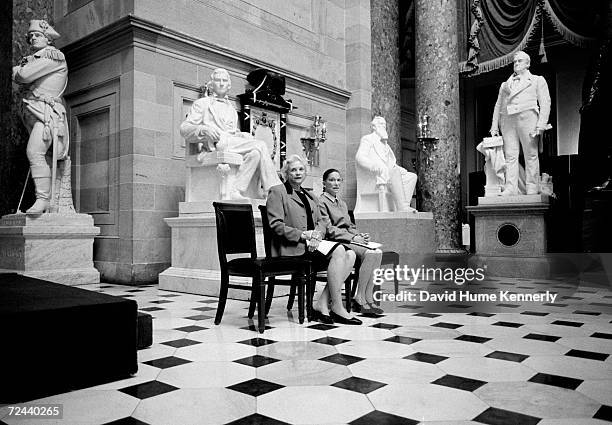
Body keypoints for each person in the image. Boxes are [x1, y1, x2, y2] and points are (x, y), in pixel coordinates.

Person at [266, 155, 361, 325]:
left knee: (351, 255)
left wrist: (317, 234)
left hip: (313, 244)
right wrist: (303, 235)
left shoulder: (310, 195)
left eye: (301, 169)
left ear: (305, 173)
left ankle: (322, 303)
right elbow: (276, 225)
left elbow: (322, 222)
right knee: (340, 250)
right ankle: (338, 307)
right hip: (293, 247)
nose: (297, 173)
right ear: (286, 173)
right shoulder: (277, 191)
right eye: (293, 170)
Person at [180, 68, 281, 200]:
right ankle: (273, 190)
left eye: (224, 81)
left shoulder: (231, 109)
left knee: (255, 154)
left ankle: (236, 190)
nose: (221, 83)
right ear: (211, 84)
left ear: (229, 86)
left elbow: (232, 133)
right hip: (215, 144)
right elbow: (185, 128)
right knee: (261, 144)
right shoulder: (202, 104)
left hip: (229, 142)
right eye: (217, 80)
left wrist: (241, 135)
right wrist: (204, 130)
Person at [12, 20, 69, 214]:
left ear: (48, 39)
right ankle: (45, 199)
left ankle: (43, 199)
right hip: (34, 112)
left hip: (48, 115)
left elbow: (24, 76)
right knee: (37, 154)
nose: (33, 38)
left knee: (34, 152)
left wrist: (16, 71)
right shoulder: (34, 58)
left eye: (38, 35)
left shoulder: (54, 57)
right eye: (31, 36)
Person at [319, 169, 384, 315]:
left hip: (349, 239)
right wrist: (353, 238)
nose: (336, 183)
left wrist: (359, 235)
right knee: (370, 253)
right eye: (331, 180)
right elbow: (329, 229)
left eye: (338, 180)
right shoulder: (321, 202)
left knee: (378, 252)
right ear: (324, 183)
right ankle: (360, 299)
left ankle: (367, 297)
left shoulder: (341, 203)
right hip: (335, 242)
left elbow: (350, 226)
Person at [490, 50, 551, 196]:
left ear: (527, 64)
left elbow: (545, 102)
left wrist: (541, 124)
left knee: (531, 154)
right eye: (515, 62)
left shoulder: (537, 80)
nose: (516, 64)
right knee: (510, 155)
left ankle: (531, 186)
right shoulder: (505, 84)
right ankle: (511, 187)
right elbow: (498, 105)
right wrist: (494, 125)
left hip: (528, 118)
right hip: (508, 121)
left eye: (520, 61)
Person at [355, 116, 417, 212]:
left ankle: (403, 205)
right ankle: (402, 207)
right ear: (374, 127)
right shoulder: (368, 139)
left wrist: (400, 169)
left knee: (412, 177)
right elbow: (360, 157)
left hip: (388, 173)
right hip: (375, 175)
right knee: (394, 172)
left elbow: (391, 163)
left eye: (384, 125)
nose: (383, 126)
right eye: (380, 124)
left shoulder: (386, 145)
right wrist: (374, 166)